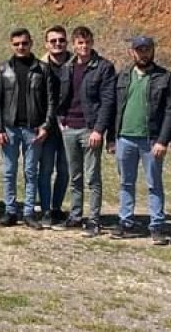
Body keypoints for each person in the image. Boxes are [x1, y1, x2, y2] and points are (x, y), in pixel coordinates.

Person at [110, 36, 171, 245]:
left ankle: (157, 225)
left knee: (154, 184)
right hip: (125, 138)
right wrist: (111, 139)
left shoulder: (165, 77)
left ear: (153, 51)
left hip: (151, 141)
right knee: (125, 182)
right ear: (132, 52)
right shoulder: (123, 76)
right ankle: (125, 221)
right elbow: (115, 108)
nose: (143, 54)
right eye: (139, 50)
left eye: (147, 49)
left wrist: (163, 140)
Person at [0, 29, 57, 229]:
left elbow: (51, 102)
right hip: (10, 129)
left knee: (31, 172)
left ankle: (29, 213)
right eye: (17, 44)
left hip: (33, 129)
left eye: (24, 43)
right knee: (9, 172)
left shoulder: (43, 69)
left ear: (31, 43)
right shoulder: (4, 69)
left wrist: (46, 126)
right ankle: (10, 211)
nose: (21, 47)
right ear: (11, 45)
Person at [55, 26, 117, 237]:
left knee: (92, 177)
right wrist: (60, 120)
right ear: (74, 45)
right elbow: (59, 96)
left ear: (92, 43)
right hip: (69, 127)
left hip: (90, 129)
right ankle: (75, 215)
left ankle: (94, 219)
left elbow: (108, 101)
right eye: (79, 43)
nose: (83, 46)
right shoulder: (67, 67)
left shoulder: (103, 67)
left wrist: (99, 130)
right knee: (75, 176)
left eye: (87, 42)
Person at [39, 25, 72, 226]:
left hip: (70, 125)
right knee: (45, 169)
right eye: (53, 41)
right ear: (46, 44)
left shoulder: (76, 64)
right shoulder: (39, 66)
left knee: (65, 170)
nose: (57, 44)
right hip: (48, 125)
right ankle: (44, 210)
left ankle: (57, 207)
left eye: (61, 40)